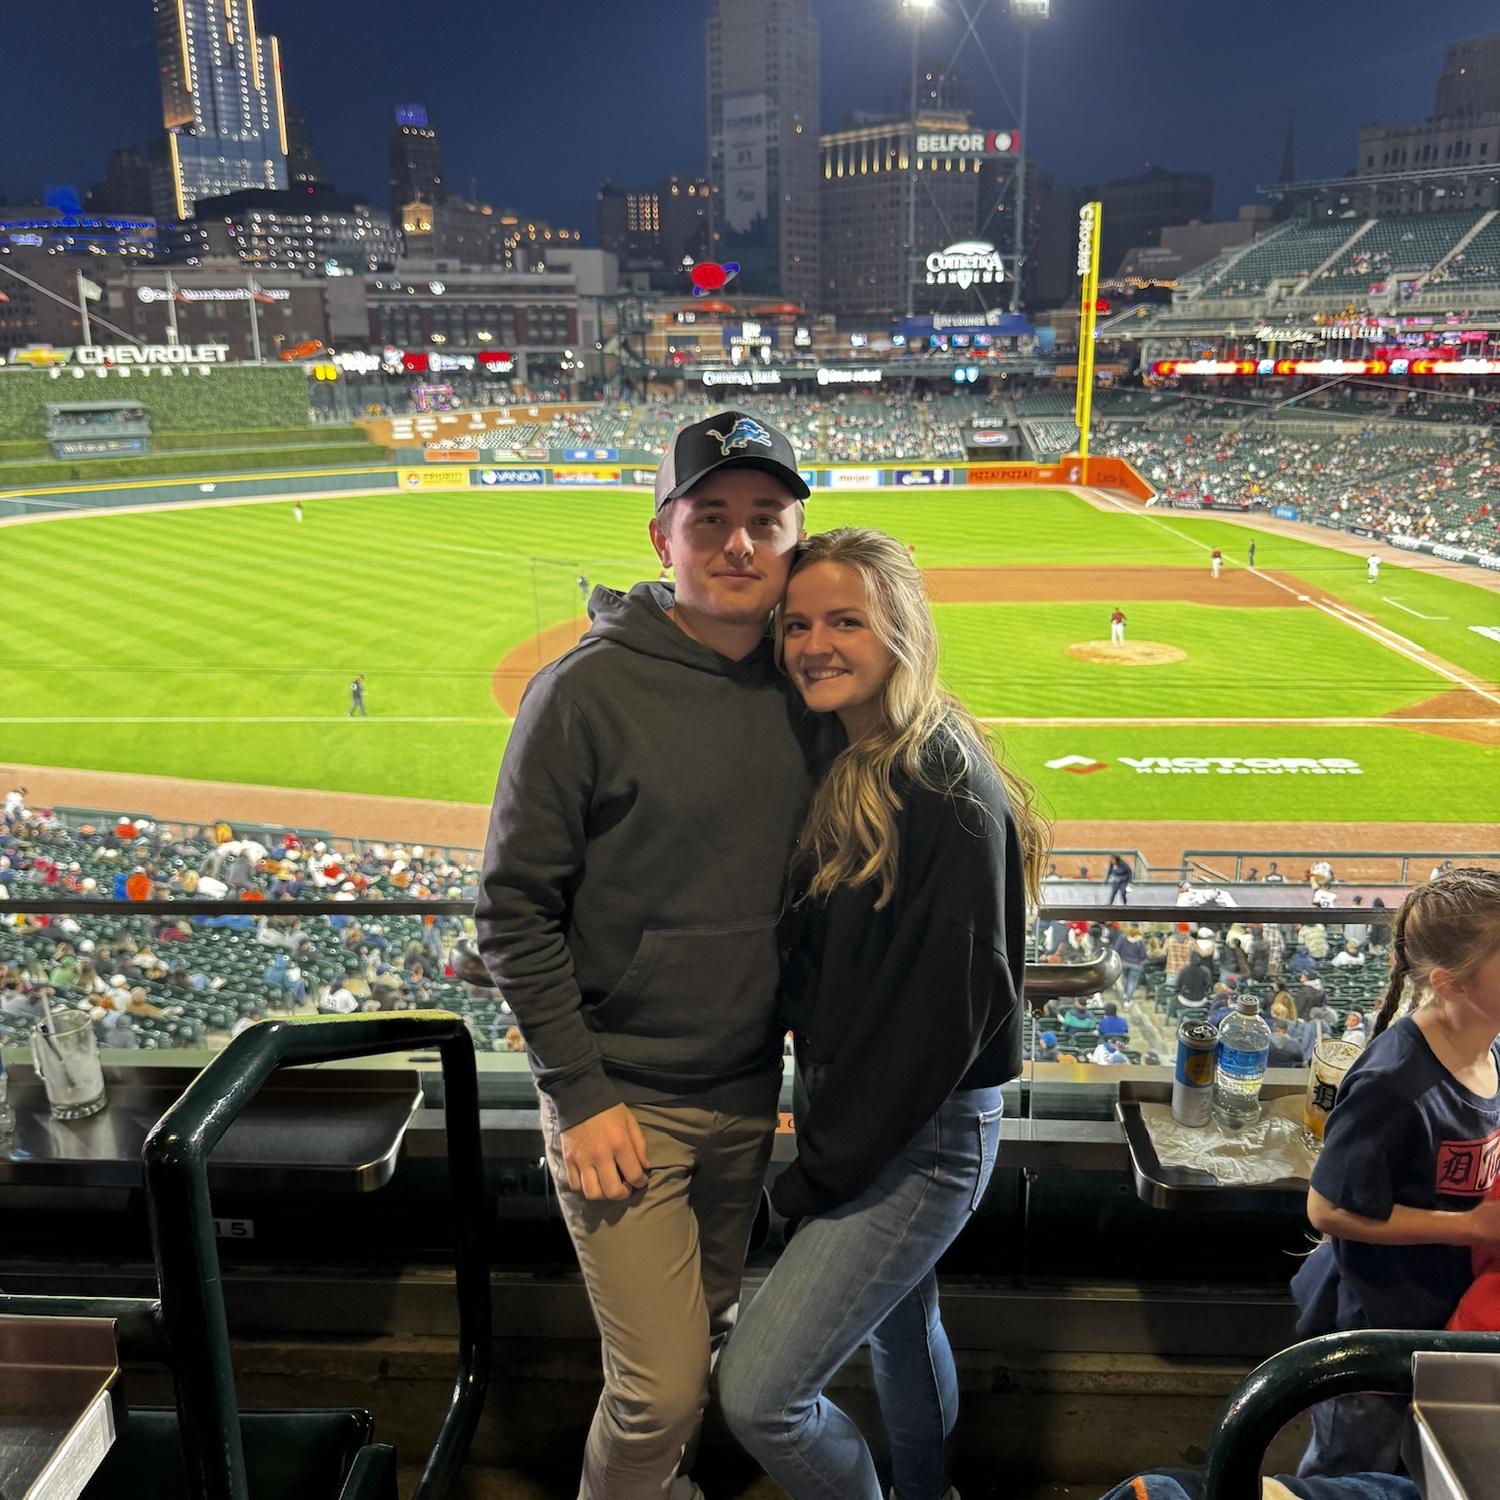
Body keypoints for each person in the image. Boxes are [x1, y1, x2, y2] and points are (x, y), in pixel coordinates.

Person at [474, 409, 812, 1500]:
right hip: (621, 1099)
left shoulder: (813, 682)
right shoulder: (581, 692)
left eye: (766, 518)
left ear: (796, 538)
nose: (739, 542)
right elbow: (512, 911)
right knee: (657, 1391)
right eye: (710, 518)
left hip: (748, 1091)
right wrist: (579, 1096)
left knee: (709, 1337)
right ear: (662, 536)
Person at [717, 527, 1049, 1500]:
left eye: (845, 622)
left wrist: (814, 1179)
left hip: (918, 1135)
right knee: (903, 1327)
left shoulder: (940, 784)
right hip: (880, 1116)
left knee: (760, 1397)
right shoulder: (862, 751)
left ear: (901, 629)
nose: (814, 644)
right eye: (798, 625)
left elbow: (939, 1020)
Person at [1290, 867, 1500, 1478]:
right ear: (1450, 984)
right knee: (1350, 1466)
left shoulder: (1489, 1047)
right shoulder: (1394, 1081)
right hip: (1378, 1325)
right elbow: (1326, 1209)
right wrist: (1472, 1228)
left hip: (1445, 1317)